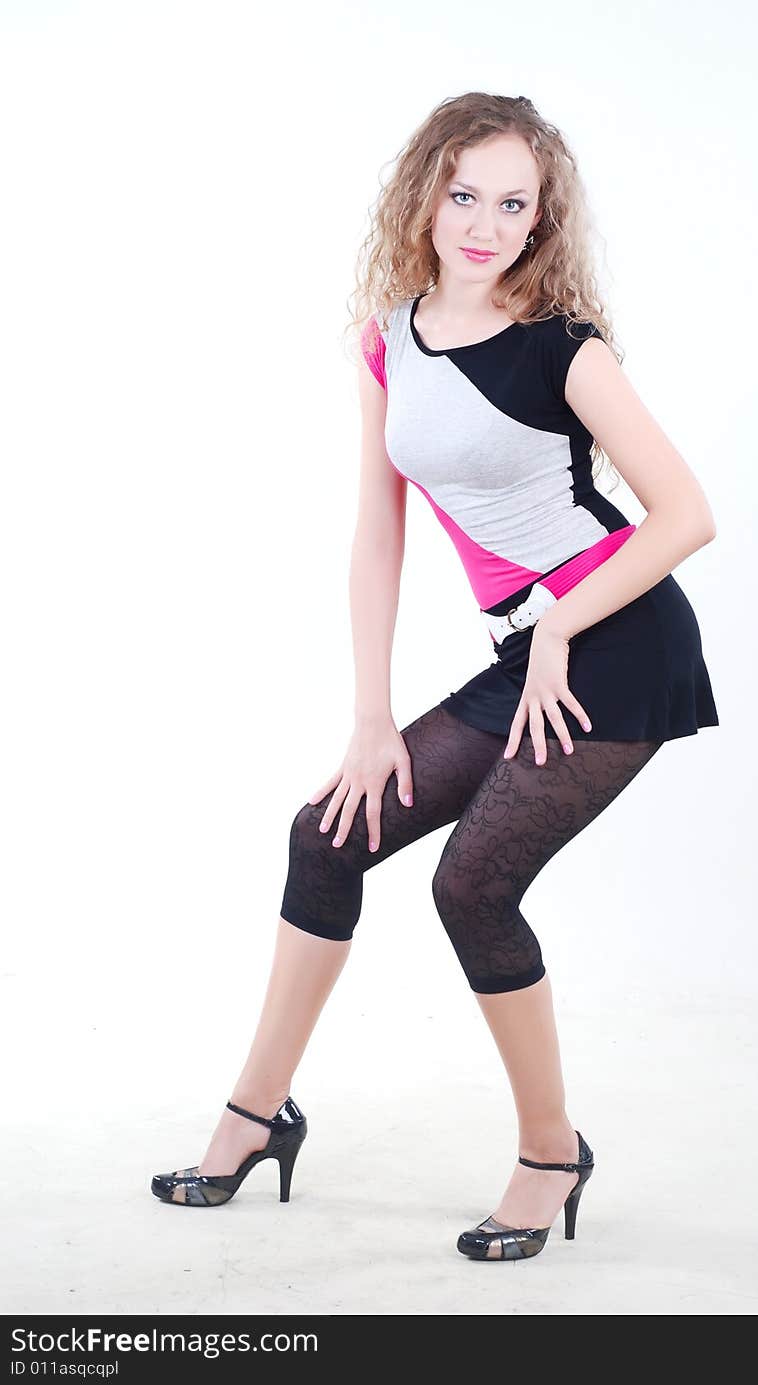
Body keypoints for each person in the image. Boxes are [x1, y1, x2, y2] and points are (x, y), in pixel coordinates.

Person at [151, 92, 719, 1262]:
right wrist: (370, 718)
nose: (484, 223)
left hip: (616, 645)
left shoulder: (564, 347)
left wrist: (558, 622)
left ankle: (550, 1149)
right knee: (326, 833)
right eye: (465, 194)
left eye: (514, 204)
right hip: (533, 652)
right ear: (425, 193)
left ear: (540, 220)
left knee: (471, 887)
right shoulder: (386, 336)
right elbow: (378, 532)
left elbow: (685, 515)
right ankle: (255, 1117)